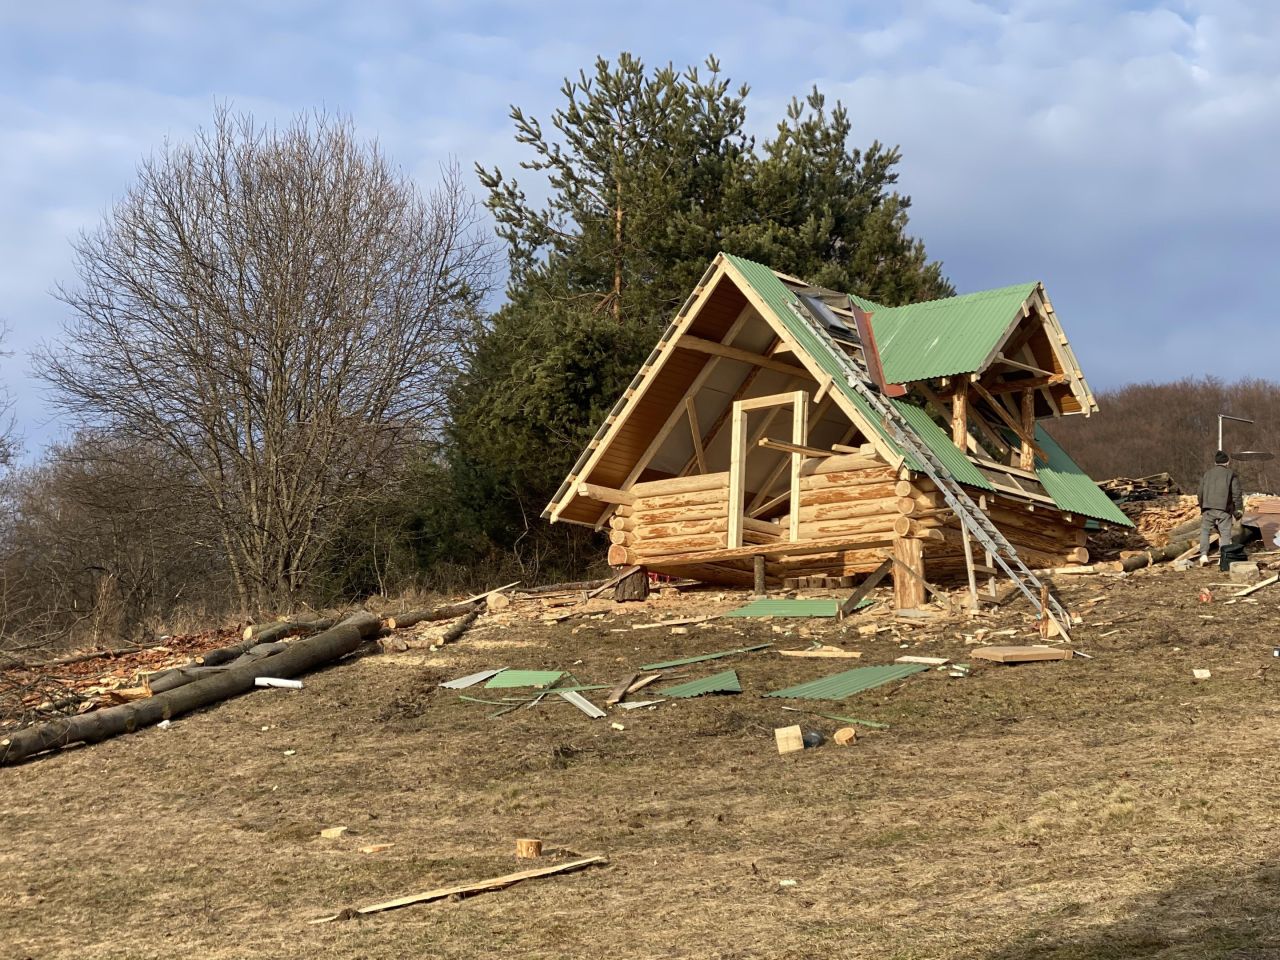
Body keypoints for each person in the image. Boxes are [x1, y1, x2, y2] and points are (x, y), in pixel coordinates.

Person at [1198, 450, 1243, 566]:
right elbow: (1236, 493)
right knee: (1225, 533)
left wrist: (1202, 506)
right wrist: (1238, 509)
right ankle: (1223, 557)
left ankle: (1203, 555)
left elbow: (1200, 492)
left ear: (1215, 462)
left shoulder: (1207, 474)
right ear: (1227, 462)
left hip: (1208, 508)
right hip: (1224, 509)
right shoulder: (1231, 474)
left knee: (1205, 531)